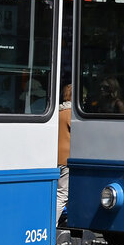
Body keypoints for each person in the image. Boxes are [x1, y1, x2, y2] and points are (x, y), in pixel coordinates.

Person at [57, 84, 72, 224]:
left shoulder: (60, 112)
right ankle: (52, 224)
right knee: (62, 194)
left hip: (57, 157)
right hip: (67, 158)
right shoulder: (70, 114)